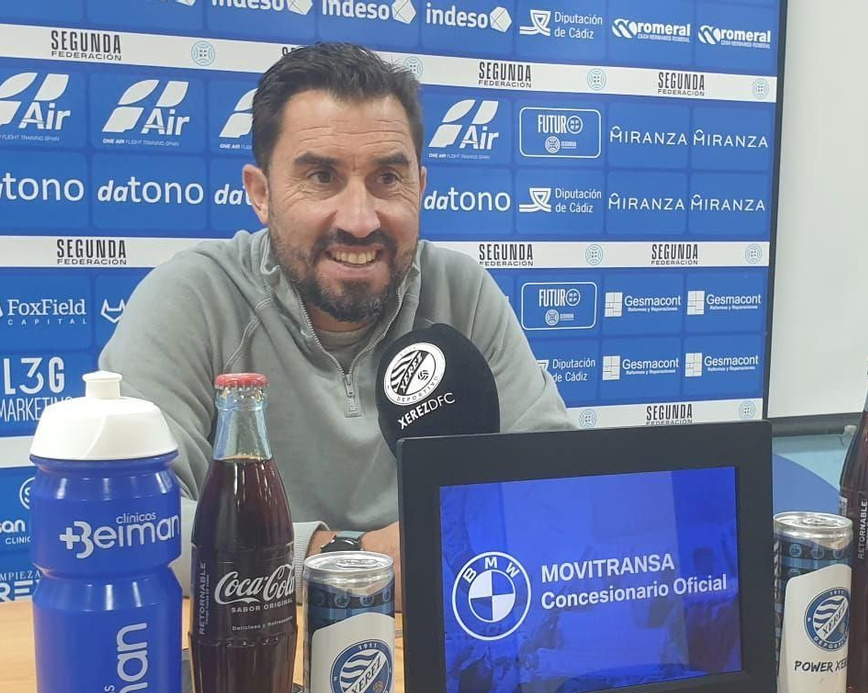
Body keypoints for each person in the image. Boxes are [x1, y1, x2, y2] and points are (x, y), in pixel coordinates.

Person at [99, 42, 570, 578]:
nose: (360, 219)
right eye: (322, 177)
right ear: (261, 192)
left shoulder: (461, 291)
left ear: (421, 187)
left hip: (440, 638)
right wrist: (354, 560)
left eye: (388, 179)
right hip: (260, 642)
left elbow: (556, 486)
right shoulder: (192, 297)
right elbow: (130, 520)